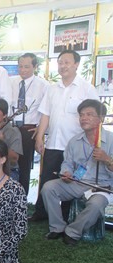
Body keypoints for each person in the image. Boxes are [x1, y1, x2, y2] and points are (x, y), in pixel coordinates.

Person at [32, 50, 100, 221]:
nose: (62, 66)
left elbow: (95, 117)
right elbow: (45, 115)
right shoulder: (52, 89)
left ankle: (65, 216)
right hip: (54, 142)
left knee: (71, 181)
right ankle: (41, 213)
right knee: (46, 178)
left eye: (67, 62)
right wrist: (40, 137)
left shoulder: (87, 88)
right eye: (60, 62)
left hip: (76, 146)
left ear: (76, 64)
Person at [42, 100, 113, 246]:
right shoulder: (74, 141)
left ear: (101, 118)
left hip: (102, 187)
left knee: (96, 204)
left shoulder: (111, 139)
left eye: (89, 114)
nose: (84, 118)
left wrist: (107, 159)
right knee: (49, 188)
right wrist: (66, 173)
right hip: (77, 182)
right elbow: (67, 163)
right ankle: (57, 227)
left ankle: (73, 232)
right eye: (81, 115)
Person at [10, 53, 49, 195]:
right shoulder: (11, 82)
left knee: (24, 166)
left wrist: (40, 128)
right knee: (8, 163)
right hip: (11, 128)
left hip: (28, 130)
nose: (23, 70)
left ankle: (22, 199)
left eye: (27, 66)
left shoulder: (43, 85)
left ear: (35, 67)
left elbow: (47, 111)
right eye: (20, 66)